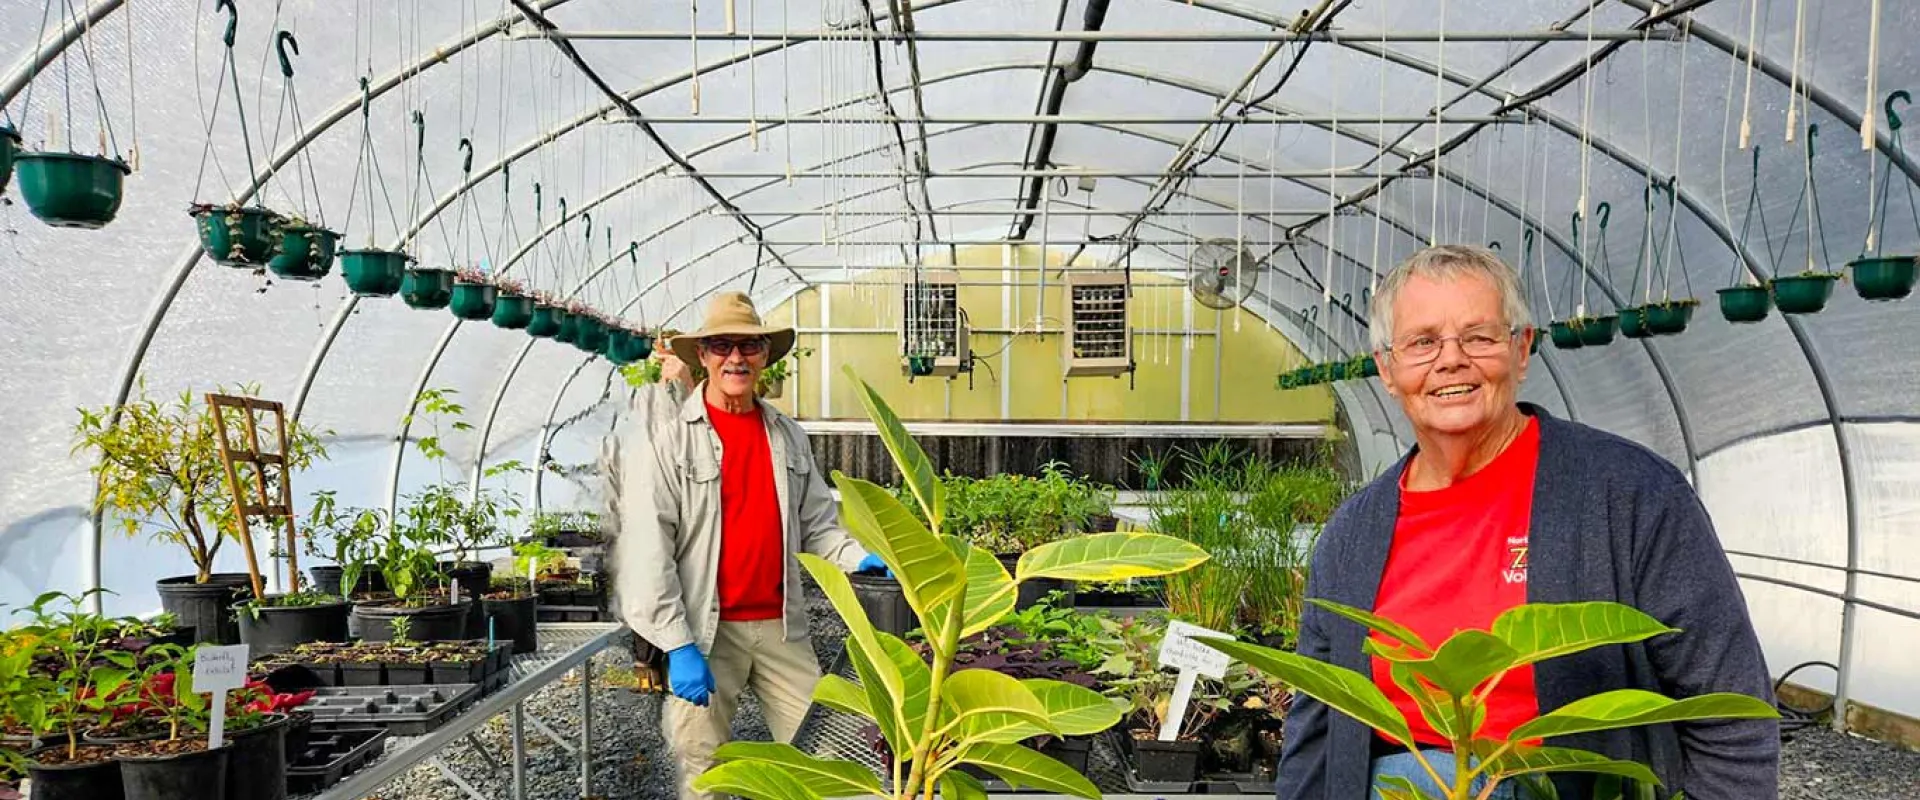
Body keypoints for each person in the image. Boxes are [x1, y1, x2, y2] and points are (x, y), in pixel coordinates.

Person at [1274, 245, 1778, 800]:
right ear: (1388, 370)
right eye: (1422, 343)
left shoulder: (1629, 495)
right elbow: (1317, 723)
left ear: (1521, 350)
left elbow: (1731, 714)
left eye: (1479, 337)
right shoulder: (1352, 534)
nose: (1450, 360)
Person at [608, 291, 885, 800]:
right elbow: (648, 549)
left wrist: (858, 558)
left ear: (764, 357)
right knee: (706, 768)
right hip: (707, 633)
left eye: (748, 347)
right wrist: (676, 644)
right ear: (704, 358)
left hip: (782, 627)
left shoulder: (788, 436)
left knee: (831, 758)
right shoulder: (670, 442)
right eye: (721, 346)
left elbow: (818, 523)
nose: (735, 357)